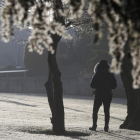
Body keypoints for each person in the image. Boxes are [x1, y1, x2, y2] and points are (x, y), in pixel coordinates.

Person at [89, 60, 117, 132]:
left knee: (95, 111)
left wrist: (98, 86)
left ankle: (94, 126)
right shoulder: (110, 74)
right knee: (106, 111)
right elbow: (114, 86)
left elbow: (92, 85)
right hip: (108, 94)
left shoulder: (97, 74)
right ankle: (106, 127)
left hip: (98, 94)